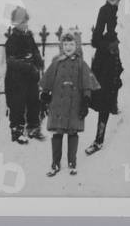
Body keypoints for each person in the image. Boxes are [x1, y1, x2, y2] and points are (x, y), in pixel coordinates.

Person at [40, 30, 100, 177]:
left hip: (75, 104)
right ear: (61, 45)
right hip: (58, 104)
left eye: (71, 44)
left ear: (77, 45)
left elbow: (87, 84)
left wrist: (86, 100)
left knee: (73, 132)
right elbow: (47, 80)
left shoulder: (81, 64)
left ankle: (72, 162)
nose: (67, 47)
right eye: (65, 44)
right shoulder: (56, 62)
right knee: (57, 132)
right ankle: (55, 164)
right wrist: (45, 94)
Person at [85, 0, 123, 156]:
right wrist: (110, 46)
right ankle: (99, 139)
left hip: (128, 58)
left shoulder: (129, 5)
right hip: (109, 61)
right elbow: (95, 39)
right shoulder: (104, 10)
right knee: (105, 101)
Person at [4, 6, 43, 144]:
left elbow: (36, 52)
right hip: (16, 81)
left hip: (30, 80)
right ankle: (17, 130)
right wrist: (27, 65)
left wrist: (38, 62)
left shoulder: (29, 37)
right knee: (17, 105)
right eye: (21, 22)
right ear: (14, 23)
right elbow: (11, 61)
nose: (24, 25)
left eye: (25, 22)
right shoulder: (12, 40)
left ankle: (33, 127)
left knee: (33, 102)